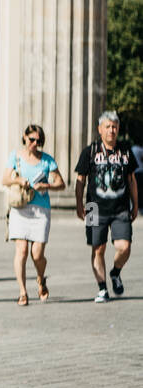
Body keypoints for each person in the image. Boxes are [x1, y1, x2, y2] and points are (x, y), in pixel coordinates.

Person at [74, 111, 138, 302]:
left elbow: (132, 180)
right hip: (94, 207)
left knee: (124, 247)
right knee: (97, 248)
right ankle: (102, 288)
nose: (112, 130)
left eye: (115, 127)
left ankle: (115, 272)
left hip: (120, 207)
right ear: (100, 129)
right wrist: (79, 204)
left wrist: (135, 205)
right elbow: (80, 180)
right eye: (108, 127)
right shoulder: (90, 151)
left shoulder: (125, 151)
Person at [3, 123, 64, 305]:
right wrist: (20, 180)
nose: (35, 144)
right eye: (32, 140)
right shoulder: (15, 157)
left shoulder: (47, 160)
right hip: (20, 208)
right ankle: (22, 292)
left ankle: (40, 277)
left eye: (38, 141)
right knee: (21, 251)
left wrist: (48, 185)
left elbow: (61, 183)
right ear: (25, 137)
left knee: (37, 254)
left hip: (41, 210)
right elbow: (4, 179)